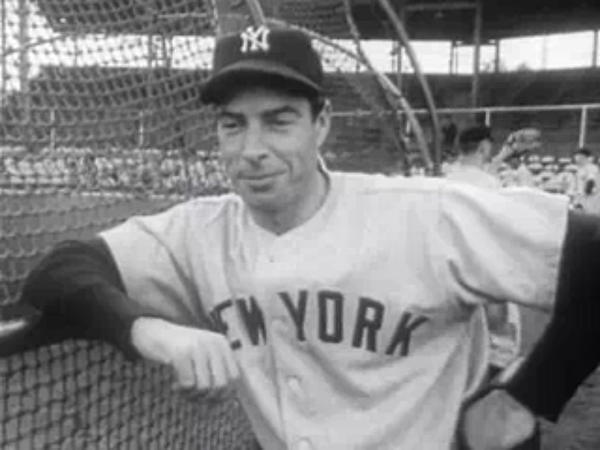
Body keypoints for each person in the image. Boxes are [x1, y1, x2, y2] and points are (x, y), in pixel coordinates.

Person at [0, 26, 598, 450]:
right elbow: (60, 270)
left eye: (279, 119)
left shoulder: (425, 215)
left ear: (323, 125)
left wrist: (524, 398)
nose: (252, 149)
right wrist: (146, 329)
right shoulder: (198, 231)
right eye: (232, 125)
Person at [445, 125, 536, 450]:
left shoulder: (439, 181)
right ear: (483, 147)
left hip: (444, 288)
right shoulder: (495, 189)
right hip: (486, 288)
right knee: (492, 365)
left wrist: (502, 157)